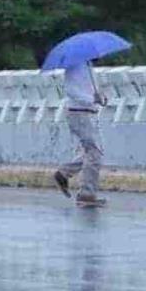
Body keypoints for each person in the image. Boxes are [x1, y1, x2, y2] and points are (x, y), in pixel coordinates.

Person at [53, 61, 108, 206]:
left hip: (87, 113)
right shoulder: (75, 66)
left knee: (90, 151)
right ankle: (87, 194)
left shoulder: (88, 66)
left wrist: (100, 98)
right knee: (94, 153)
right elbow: (71, 90)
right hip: (79, 113)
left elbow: (89, 90)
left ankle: (64, 173)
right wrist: (91, 99)